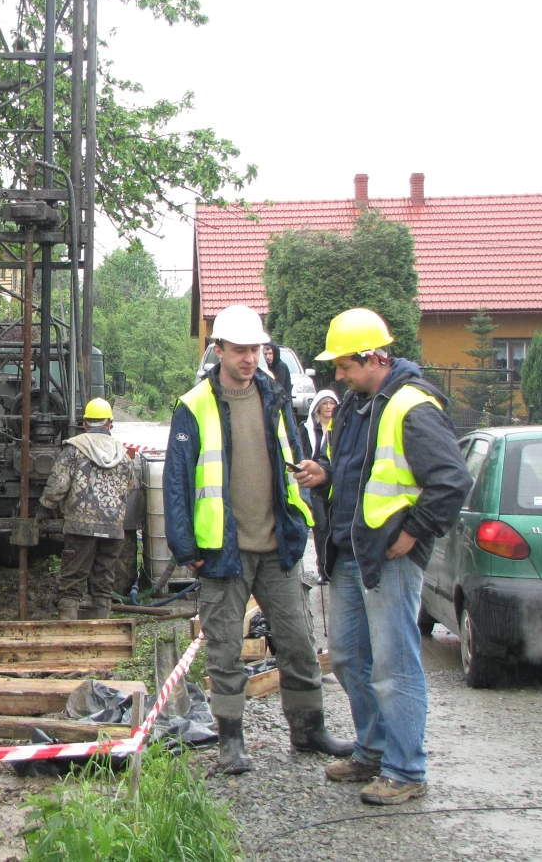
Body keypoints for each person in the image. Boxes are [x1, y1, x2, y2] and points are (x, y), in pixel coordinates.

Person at [164, 305, 353, 775]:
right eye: (240, 350)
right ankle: (231, 743)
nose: (250, 358)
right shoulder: (194, 405)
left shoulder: (275, 397)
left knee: (298, 643)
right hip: (223, 553)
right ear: (219, 350)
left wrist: (307, 489)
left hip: (278, 546)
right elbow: (177, 482)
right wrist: (186, 548)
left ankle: (308, 731)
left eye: (255, 349)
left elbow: (296, 457)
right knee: (224, 651)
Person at [293, 309, 471, 806]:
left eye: (345, 365)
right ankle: (372, 751)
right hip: (351, 551)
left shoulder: (413, 405)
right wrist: (324, 474)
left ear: (374, 357)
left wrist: (413, 532)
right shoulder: (355, 405)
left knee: (394, 665)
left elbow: (453, 479)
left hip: (390, 555)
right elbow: (354, 470)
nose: (339, 375)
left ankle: (406, 769)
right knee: (349, 658)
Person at [37, 397, 139, 620]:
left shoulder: (74, 449)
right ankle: (102, 624)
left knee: (72, 577)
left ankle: (67, 624)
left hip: (80, 527)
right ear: (110, 424)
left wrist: (44, 508)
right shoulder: (122, 454)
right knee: (104, 579)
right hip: (112, 527)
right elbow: (130, 485)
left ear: (84, 424)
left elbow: (58, 484)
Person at [303, 389, 339, 580]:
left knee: (334, 526)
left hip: (334, 485)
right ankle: (323, 570)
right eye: (325, 403)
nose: (328, 407)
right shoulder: (307, 429)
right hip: (315, 487)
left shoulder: (339, 428)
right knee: (321, 527)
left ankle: (334, 568)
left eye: (331, 403)